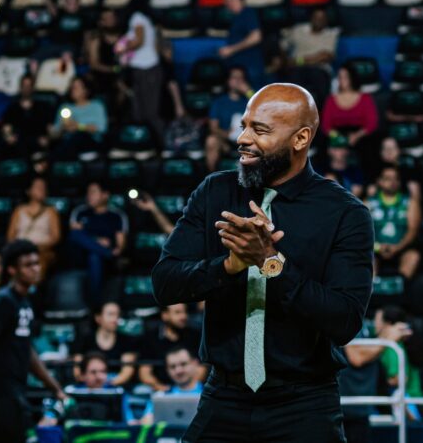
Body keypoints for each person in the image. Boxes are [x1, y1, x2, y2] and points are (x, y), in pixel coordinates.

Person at [152, 83, 374, 442]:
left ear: (300, 138)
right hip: (224, 396)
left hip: (305, 403)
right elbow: (164, 283)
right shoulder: (214, 192)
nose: (243, 138)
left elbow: (345, 320)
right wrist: (229, 266)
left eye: (260, 130)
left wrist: (271, 263)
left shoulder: (345, 213)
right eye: (244, 125)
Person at [0, 240, 65, 442]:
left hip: (15, 389)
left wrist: (55, 388)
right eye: (28, 265)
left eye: (37, 263)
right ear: (12, 270)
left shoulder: (25, 303)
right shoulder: (3, 300)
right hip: (1, 392)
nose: (35, 269)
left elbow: (28, 351)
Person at [340, 318, 412, 443]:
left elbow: (365, 350)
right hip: (345, 407)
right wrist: (388, 340)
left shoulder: (362, 322)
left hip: (359, 408)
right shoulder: (346, 318)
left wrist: (387, 334)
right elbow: (357, 357)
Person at [39, 351, 137, 426]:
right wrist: (50, 418)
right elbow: (48, 420)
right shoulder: (70, 392)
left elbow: (129, 421)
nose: (99, 377)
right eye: (93, 372)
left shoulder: (117, 393)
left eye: (103, 372)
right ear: (82, 375)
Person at [68, 181, 127, 304]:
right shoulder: (80, 212)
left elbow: (120, 247)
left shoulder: (116, 215)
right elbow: (75, 235)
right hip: (80, 255)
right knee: (74, 235)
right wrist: (97, 241)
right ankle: (105, 252)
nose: (89, 196)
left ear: (105, 195)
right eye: (88, 192)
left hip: (105, 261)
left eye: (93, 192)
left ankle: (95, 303)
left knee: (94, 256)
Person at [118, 0, 164, 143]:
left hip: (147, 69)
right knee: (139, 112)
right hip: (144, 68)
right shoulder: (147, 20)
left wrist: (122, 48)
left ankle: (162, 143)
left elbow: (139, 41)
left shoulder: (137, 17)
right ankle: (144, 143)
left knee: (149, 112)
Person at [366, 165, 420, 280]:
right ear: (379, 181)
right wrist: (378, 247)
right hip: (375, 250)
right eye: (388, 178)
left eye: (396, 179)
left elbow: (413, 230)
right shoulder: (368, 203)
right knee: (365, 257)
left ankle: (400, 287)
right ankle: (373, 288)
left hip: (401, 248)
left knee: (413, 256)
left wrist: (397, 247)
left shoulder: (410, 202)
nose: (393, 182)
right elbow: (362, 233)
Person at [280, 8, 338, 107]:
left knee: (319, 80)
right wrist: (285, 60)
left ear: (326, 20)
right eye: (316, 17)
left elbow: (325, 57)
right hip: (297, 69)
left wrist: (298, 60)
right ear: (311, 18)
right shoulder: (299, 30)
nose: (319, 20)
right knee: (292, 81)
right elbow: (283, 44)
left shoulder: (331, 34)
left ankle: (321, 113)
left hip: (320, 69)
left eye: (322, 18)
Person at [375, 306, 423, 419]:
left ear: (388, 324)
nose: (375, 325)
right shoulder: (401, 344)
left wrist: (378, 383)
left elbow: (400, 379)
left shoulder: (392, 347)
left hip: (409, 406)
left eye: (377, 321)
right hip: (417, 401)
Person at [6, 177, 61, 280]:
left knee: (38, 260)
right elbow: (10, 236)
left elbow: (55, 237)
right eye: (38, 187)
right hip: (20, 248)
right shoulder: (19, 210)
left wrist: (37, 247)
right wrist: (20, 248)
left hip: (42, 250)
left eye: (44, 188)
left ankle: (33, 286)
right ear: (29, 191)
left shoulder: (51, 211)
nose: (42, 190)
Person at [71, 301, 137, 386]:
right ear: (98, 318)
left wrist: (106, 384)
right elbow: (77, 370)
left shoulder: (127, 340)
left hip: (116, 386)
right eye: (111, 314)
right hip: (88, 385)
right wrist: (93, 383)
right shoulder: (84, 339)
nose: (115, 319)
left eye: (118, 315)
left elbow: (127, 372)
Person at [139, 304, 202, 391]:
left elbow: (201, 369)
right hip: (161, 389)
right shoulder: (151, 337)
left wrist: (187, 389)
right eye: (177, 312)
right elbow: (145, 373)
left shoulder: (194, 335)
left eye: (185, 312)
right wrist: (163, 389)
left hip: (191, 389)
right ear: (165, 315)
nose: (183, 316)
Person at [138, 346, 204, 426]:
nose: (178, 370)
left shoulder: (209, 393)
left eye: (183, 364)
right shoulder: (160, 396)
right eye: (172, 367)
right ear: (167, 370)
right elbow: (146, 421)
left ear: (195, 363)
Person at [205, 66, 251, 173]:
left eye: (241, 78)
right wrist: (227, 135)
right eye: (234, 77)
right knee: (211, 140)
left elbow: (264, 110)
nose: (238, 81)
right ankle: (212, 178)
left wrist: (248, 91)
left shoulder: (250, 101)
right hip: (225, 141)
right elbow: (213, 128)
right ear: (228, 81)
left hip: (247, 141)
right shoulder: (219, 102)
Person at [321, 65, 379, 149]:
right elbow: (326, 125)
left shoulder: (365, 98)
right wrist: (338, 137)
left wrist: (357, 136)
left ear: (353, 78)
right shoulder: (331, 100)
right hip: (336, 138)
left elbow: (372, 123)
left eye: (345, 77)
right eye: (340, 77)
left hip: (361, 138)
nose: (342, 80)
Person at [51, 76, 108, 160]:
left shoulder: (96, 106)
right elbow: (56, 131)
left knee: (79, 136)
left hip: (90, 142)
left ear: (86, 90)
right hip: (67, 142)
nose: (72, 90)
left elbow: (101, 128)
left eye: (76, 88)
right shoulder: (65, 107)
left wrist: (78, 126)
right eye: (71, 88)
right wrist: (62, 128)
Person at [0, 75, 54, 160]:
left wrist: (48, 138)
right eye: (24, 85)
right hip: (18, 143)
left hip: (37, 142)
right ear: (20, 87)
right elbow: (6, 128)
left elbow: (50, 129)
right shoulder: (13, 108)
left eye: (29, 85)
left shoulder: (42, 107)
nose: (26, 88)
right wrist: (8, 137)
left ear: (33, 88)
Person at [86, 10, 125, 119]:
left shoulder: (123, 37)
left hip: (121, 75)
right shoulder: (96, 39)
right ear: (101, 22)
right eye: (107, 18)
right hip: (102, 78)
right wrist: (113, 69)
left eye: (112, 17)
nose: (110, 20)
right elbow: (94, 64)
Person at [219, 0, 263, 88]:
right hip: (240, 67)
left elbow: (256, 36)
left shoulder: (247, 13)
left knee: (253, 94)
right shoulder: (236, 17)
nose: (226, 1)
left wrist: (231, 49)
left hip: (250, 66)